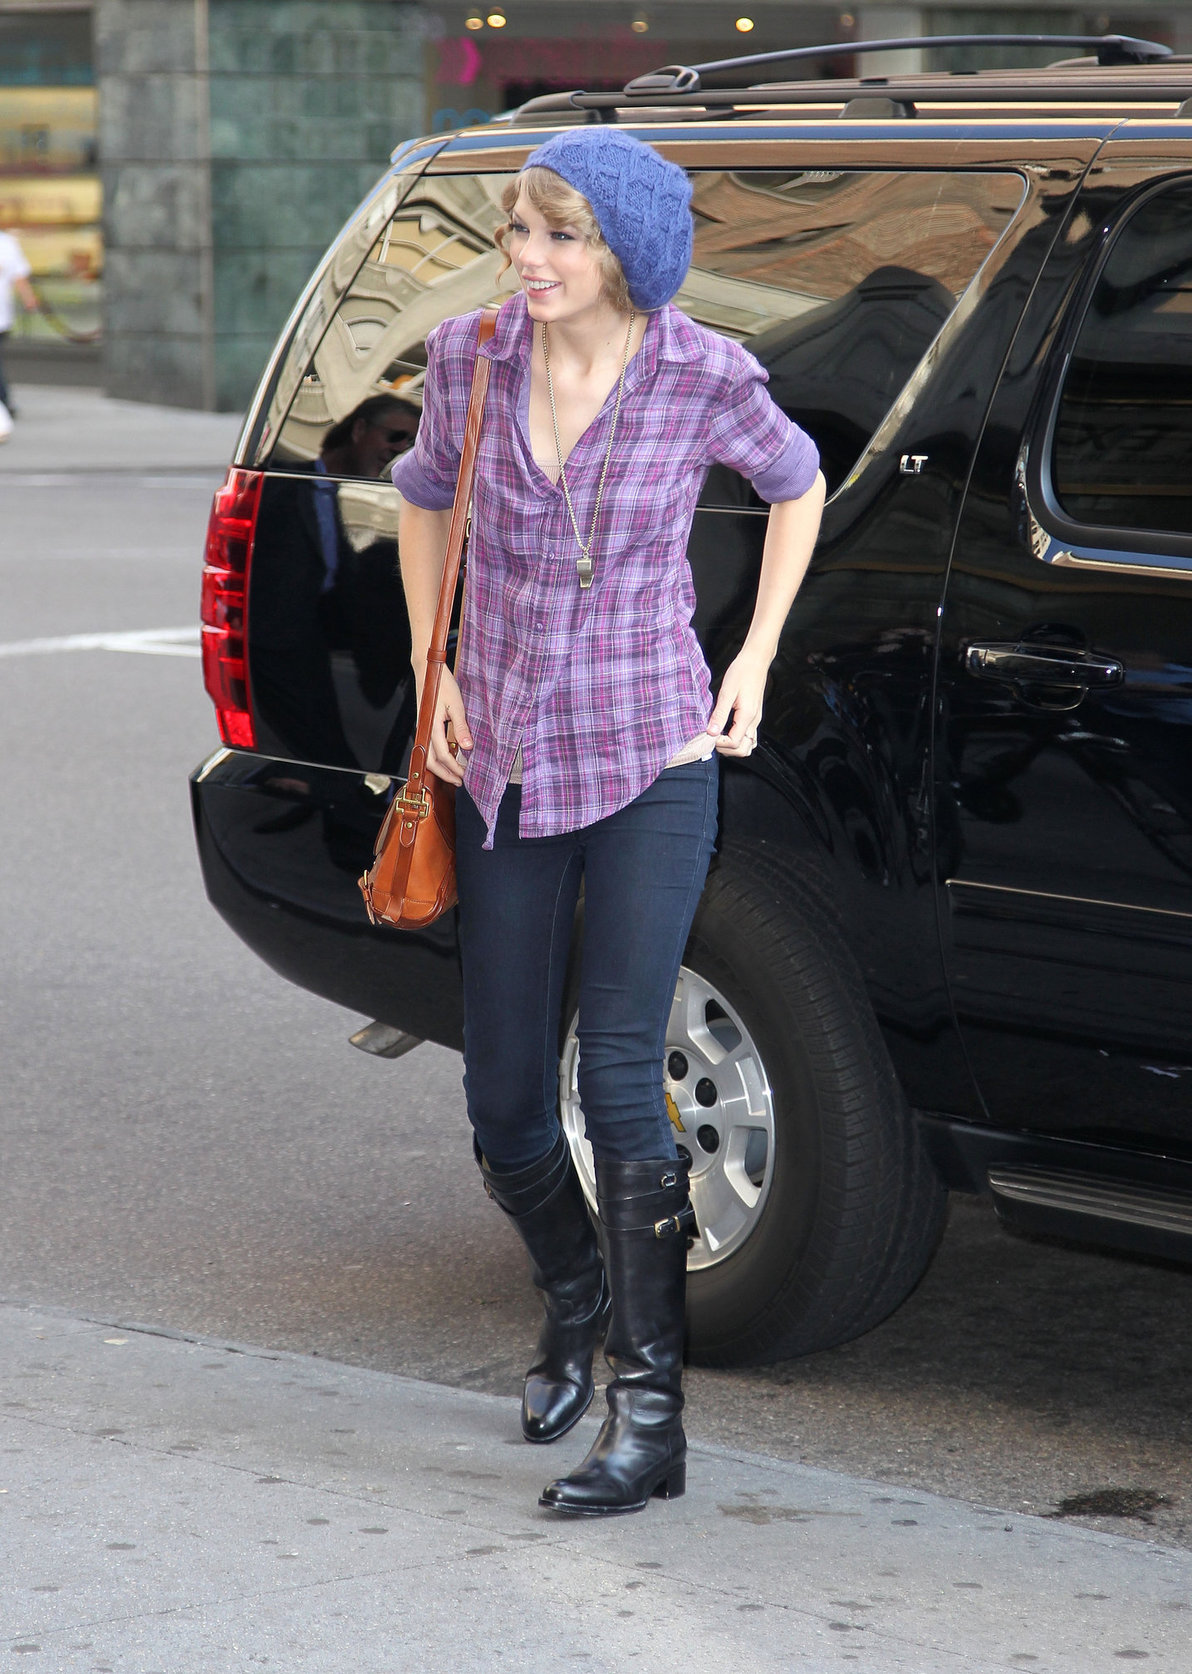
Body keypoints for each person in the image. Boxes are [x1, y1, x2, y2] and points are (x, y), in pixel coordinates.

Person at [393, 128, 825, 1517]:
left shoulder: (703, 372)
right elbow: (418, 503)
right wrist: (431, 665)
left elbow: (796, 487)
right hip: (508, 762)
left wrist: (754, 658)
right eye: (521, 228)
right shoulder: (470, 360)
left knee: (625, 1076)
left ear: (626, 253)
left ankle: (648, 1419)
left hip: (652, 754)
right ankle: (572, 1288)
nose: (530, 257)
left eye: (561, 235)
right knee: (507, 1105)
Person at [0, 227, 37, 419]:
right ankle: (4, 403)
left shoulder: (7, 243)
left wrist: (28, 298)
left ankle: (4, 403)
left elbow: (19, 276)